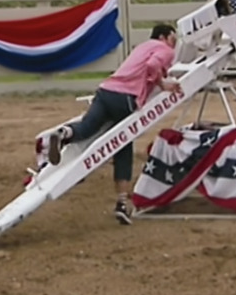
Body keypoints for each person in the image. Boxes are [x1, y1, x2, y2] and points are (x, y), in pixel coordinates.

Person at [46, 23, 182, 225]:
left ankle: (64, 133)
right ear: (163, 37)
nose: (175, 42)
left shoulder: (141, 47)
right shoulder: (165, 50)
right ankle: (121, 203)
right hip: (126, 97)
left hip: (106, 89)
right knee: (123, 146)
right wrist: (162, 84)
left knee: (87, 127)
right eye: (173, 37)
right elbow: (153, 66)